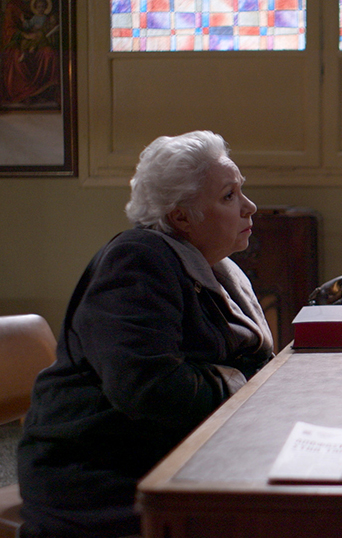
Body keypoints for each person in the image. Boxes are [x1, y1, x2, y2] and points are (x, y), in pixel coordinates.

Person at [17, 131, 274, 537]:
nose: (249, 206)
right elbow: (146, 386)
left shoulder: (215, 266)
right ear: (181, 217)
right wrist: (242, 383)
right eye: (229, 196)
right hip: (100, 475)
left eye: (241, 190)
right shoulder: (137, 259)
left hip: (169, 452)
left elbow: (253, 362)